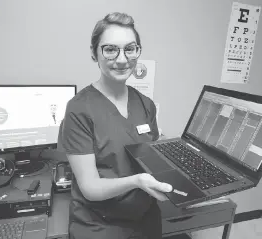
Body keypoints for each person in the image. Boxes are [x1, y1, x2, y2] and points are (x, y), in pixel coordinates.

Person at [57, 12, 173, 239]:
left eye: (130, 49)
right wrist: (137, 182)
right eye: (110, 49)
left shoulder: (145, 104)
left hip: (145, 219)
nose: (122, 59)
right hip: (99, 225)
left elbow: (147, 155)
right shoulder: (79, 109)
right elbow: (90, 188)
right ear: (94, 54)